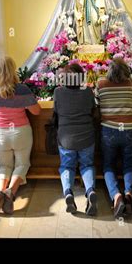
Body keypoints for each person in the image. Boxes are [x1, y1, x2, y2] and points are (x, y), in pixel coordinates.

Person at [0, 57, 40, 215]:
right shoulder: (22, 89)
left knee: (5, 165)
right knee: (22, 164)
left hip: (0, 133)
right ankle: (10, 192)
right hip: (21, 132)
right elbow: (36, 111)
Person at [97, 58, 132, 218]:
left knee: (108, 165)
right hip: (130, 129)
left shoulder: (101, 83)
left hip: (109, 129)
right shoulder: (131, 84)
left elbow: (97, 105)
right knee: (129, 165)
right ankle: (129, 195)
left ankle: (116, 197)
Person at [53, 63, 97, 215]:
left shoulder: (58, 92)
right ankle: (90, 190)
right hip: (87, 135)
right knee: (87, 165)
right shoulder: (88, 92)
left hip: (66, 138)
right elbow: (93, 110)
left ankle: (68, 193)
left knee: (67, 166)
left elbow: (56, 112)